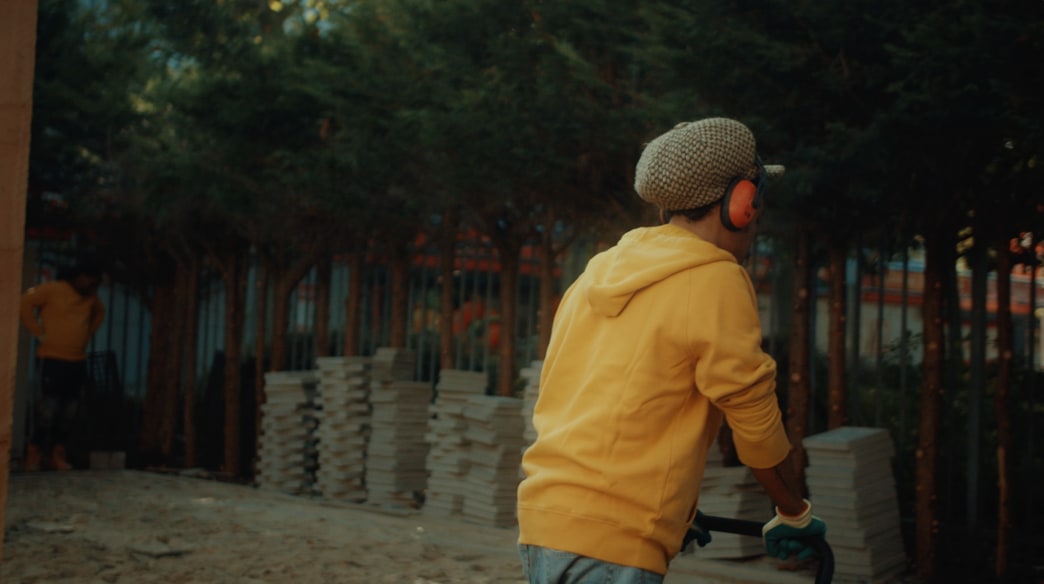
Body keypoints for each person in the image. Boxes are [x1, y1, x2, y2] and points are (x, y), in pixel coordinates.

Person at [516, 118, 826, 583]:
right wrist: (794, 512)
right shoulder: (714, 278)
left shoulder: (599, 270)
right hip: (613, 543)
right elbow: (755, 424)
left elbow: (588, 402)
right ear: (743, 202)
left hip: (545, 521)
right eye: (759, 199)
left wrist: (673, 512)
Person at [19, 258, 106, 471]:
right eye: (88, 280)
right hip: (51, 358)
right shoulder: (53, 290)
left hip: (76, 360)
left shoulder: (91, 298)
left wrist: (86, 333)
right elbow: (25, 303)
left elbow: (100, 313)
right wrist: (38, 333)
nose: (90, 285)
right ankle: (34, 454)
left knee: (69, 411)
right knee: (47, 409)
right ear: (78, 276)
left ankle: (57, 455)